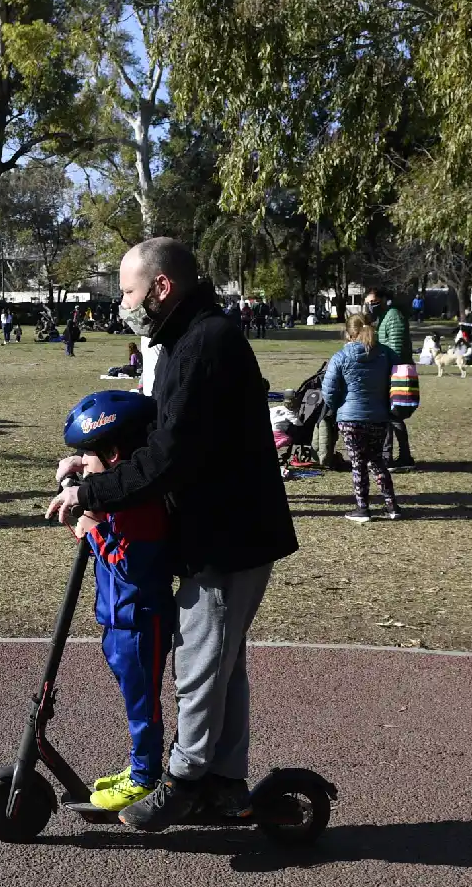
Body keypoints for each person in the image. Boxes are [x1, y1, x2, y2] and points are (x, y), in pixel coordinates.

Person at [47, 237, 297, 831]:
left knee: (200, 662)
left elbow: (168, 458)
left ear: (162, 287)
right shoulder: (187, 339)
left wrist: (90, 494)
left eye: (129, 292)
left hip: (229, 536)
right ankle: (225, 783)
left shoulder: (204, 343)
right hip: (223, 530)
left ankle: (184, 783)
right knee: (222, 662)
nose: (124, 304)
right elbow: (160, 431)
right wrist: (96, 460)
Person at [61, 391, 173, 811]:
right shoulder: (116, 493)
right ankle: (140, 766)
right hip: (118, 618)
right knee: (134, 698)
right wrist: (78, 482)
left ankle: (145, 776)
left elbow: (128, 564)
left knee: (143, 705)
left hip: (140, 619)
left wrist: (91, 528)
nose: (84, 464)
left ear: (112, 455)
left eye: (89, 455)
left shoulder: (139, 506)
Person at [321, 313, 401, 522]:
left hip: (350, 418)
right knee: (377, 460)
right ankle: (392, 506)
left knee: (358, 463)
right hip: (379, 416)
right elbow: (401, 379)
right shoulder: (386, 354)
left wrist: (338, 408)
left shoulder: (341, 356)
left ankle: (363, 508)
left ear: (349, 333)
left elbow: (328, 390)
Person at [365, 287, 416, 470]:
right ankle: (403, 456)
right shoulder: (384, 317)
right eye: (368, 303)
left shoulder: (393, 316)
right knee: (392, 415)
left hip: (396, 372)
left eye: (373, 302)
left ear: (384, 299)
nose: (371, 306)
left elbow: (397, 348)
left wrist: (383, 368)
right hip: (391, 370)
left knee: (389, 414)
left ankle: (388, 457)